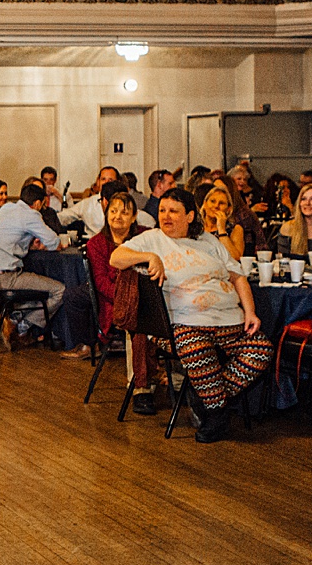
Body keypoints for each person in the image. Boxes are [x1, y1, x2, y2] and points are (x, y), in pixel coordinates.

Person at [111, 188, 270, 443]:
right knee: (196, 350)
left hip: (229, 321)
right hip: (181, 324)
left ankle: (208, 395)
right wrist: (149, 256)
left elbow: (238, 276)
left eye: (173, 211)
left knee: (260, 350)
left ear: (190, 216)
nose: (165, 216)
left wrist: (250, 312)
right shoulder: (152, 239)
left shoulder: (209, 240)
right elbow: (116, 258)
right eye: (162, 210)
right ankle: (216, 412)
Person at [57, 185, 141, 366]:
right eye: (113, 211)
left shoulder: (143, 236)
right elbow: (101, 283)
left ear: (134, 217)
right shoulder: (97, 243)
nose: (118, 216)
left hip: (143, 295)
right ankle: (88, 345)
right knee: (75, 295)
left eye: (124, 213)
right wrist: (126, 298)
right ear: (106, 213)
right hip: (115, 297)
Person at [0, 181, 65, 346]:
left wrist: (28, 243)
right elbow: (54, 242)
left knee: (39, 290)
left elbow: (10, 237)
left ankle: (14, 317)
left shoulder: (6, 208)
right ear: (36, 203)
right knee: (59, 290)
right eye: (42, 205)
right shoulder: (31, 215)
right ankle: (21, 327)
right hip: (7, 278)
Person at [197, 181, 248, 263]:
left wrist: (221, 230)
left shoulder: (235, 229)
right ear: (205, 203)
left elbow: (235, 258)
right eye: (212, 201)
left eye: (221, 203)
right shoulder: (195, 227)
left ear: (228, 209)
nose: (216, 206)